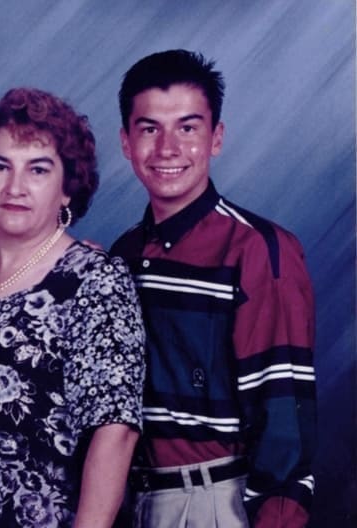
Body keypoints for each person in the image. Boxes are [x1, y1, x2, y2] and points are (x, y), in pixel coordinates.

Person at [110, 49, 317, 527]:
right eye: (149, 129)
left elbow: (284, 419)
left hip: (215, 501)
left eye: (187, 127)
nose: (167, 149)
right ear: (125, 141)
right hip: (130, 502)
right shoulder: (121, 256)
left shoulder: (257, 250)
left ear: (216, 137)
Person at [0, 88, 145, 527]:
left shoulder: (94, 280)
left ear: (67, 189)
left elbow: (115, 430)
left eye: (38, 170)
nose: (15, 187)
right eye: (0, 166)